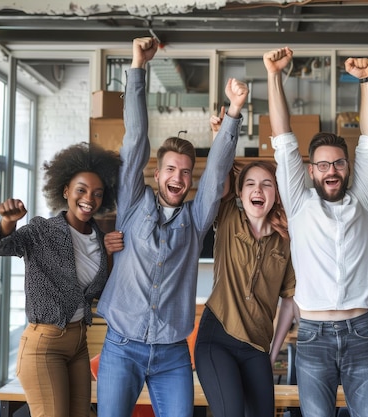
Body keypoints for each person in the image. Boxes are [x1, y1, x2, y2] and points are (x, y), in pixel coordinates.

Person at [95, 37, 248, 417]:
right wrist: (138, 66)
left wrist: (235, 111)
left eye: (185, 172)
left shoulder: (196, 220)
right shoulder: (133, 202)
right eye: (170, 170)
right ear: (157, 172)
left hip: (172, 353)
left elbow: (216, 173)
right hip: (121, 345)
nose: (177, 177)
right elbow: (134, 140)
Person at [264, 46, 368, 417]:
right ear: (311, 171)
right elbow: (283, 136)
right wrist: (273, 75)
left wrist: (366, 80)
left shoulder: (362, 199)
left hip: (361, 331)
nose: (331, 171)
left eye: (338, 163)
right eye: (322, 165)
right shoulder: (299, 202)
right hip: (313, 335)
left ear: (347, 168)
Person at [0, 142, 121, 417]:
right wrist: (8, 223)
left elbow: (97, 291)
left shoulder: (99, 238)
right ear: (66, 191)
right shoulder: (41, 230)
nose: (89, 199)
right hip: (43, 346)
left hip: (79, 345)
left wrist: (108, 254)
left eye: (97, 193)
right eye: (81, 190)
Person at [194, 111, 296, 415]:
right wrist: (219, 134)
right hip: (217, 340)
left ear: (276, 195)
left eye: (267, 184)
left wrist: (272, 352)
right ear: (240, 192)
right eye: (250, 183)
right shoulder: (227, 217)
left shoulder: (286, 241)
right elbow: (217, 178)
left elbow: (290, 301)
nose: (258, 189)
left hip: (257, 348)